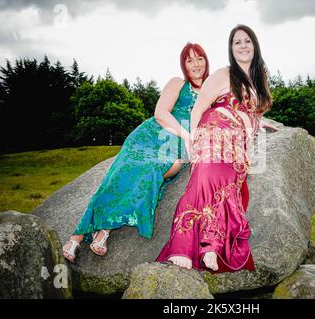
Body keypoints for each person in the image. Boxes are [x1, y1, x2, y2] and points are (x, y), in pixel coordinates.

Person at [62, 43, 210, 262]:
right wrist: (187, 136)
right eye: (189, 60)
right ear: (183, 65)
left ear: (206, 60)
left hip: (176, 147)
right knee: (123, 172)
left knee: (157, 171)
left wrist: (262, 122)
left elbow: (232, 111)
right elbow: (161, 113)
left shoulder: (212, 90)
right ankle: (80, 235)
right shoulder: (178, 83)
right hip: (153, 135)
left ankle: (103, 228)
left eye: (199, 58)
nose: (195, 64)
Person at [156, 25, 272, 273]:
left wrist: (264, 125)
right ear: (231, 49)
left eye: (246, 41)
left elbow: (254, 113)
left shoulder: (260, 78)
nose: (242, 46)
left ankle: (211, 243)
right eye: (237, 42)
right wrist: (194, 141)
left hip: (238, 143)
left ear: (255, 45)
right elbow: (199, 108)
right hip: (213, 130)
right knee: (206, 172)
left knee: (230, 179)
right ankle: (186, 246)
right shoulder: (223, 74)